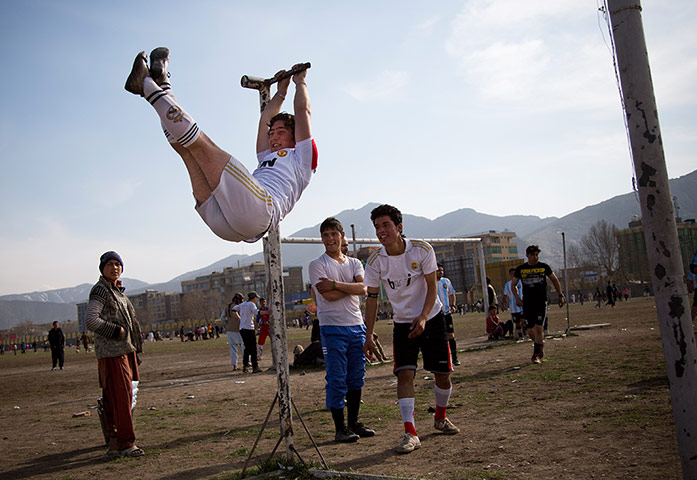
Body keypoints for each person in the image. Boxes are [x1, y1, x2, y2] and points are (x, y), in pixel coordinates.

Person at [125, 48, 317, 243]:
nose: (274, 137)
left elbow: (303, 112)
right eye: (272, 133)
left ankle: (146, 84)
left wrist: (300, 82)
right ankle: (163, 84)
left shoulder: (302, 158)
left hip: (259, 211)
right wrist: (281, 92)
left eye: (281, 133)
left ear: (294, 136)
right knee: (186, 151)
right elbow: (265, 121)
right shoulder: (266, 156)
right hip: (229, 224)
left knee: (201, 145)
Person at [363, 205, 459, 454]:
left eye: (385, 225)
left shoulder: (422, 249)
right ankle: (411, 432)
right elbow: (371, 299)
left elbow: (431, 287)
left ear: (399, 227)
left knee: (442, 374)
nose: (381, 231)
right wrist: (369, 335)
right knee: (404, 374)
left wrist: (424, 316)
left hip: (432, 318)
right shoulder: (375, 261)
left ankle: (440, 418)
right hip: (402, 322)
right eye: (377, 227)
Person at [309, 217, 374, 443]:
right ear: (322, 239)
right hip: (332, 327)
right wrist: (352, 289)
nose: (330, 239)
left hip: (356, 326)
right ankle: (340, 428)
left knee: (357, 376)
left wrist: (336, 284)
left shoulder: (355, 263)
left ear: (341, 235)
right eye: (325, 235)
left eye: (334, 234)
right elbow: (326, 296)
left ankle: (355, 422)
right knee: (337, 378)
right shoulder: (317, 265)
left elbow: (363, 289)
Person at [85, 251, 144, 457]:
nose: (114, 268)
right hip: (113, 352)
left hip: (124, 351)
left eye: (117, 264)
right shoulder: (101, 291)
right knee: (121, 398)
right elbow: (91, 320)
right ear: (102, 268)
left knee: (116, 398)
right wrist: (115, 331)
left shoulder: (117, 291)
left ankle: (115, 443)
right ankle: (126, 444)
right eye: (109, 264)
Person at [511, 245, 565, 364]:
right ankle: (539, 345)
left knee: (539, 328)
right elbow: (513, 285)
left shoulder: (543, 267)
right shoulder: (521, 269)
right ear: (527, 255)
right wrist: (517, 298)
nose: (535, 257)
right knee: (531, 331)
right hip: (528, 303)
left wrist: (560, 295)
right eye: (533, 255)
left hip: (541, 302)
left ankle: (536, 355)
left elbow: (554, 280)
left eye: (537, 255)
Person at [436, 263, 460, 366]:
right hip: (436, 314)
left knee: (451, 335)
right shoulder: (429, 282)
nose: (440, 272)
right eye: (438, 270)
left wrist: (453, 305)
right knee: (438, 338)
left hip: (446, 313)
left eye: (442, 270)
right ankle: (440, 359)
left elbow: (452, 294)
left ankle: (455, 358)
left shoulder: (446, 281)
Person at [234, 292, 262, 373]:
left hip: (242, 328)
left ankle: (245, 365)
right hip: (249, 328)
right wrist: (266, 312)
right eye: (256, 298)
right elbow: (257, 312)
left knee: (247, 348)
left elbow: (234, 309)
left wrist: (239, 318)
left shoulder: (242, 304)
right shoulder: (252, 304)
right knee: (253, 348)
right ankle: (255, 367)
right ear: (254, 298)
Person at [502, 268, 526, 340]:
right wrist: (503, 304)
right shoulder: (507, 285)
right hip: (514, 307)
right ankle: (520, 336)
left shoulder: (521, 282)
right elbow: (505, 295)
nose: (513, 275)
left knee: (524, 320)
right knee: (517, 322)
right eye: (511, 273)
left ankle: (527, 334)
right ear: (509, 275)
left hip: (522, 305)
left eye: (514, 273)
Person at [223, 292, 244, 371]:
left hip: (230, 330)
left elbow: (222, 317)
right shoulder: (240, 306)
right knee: (244, 346)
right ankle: (247, 362)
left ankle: (234, 365)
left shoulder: (228, 307)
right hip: (240, 329)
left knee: (233, 348)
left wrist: (227, 324)